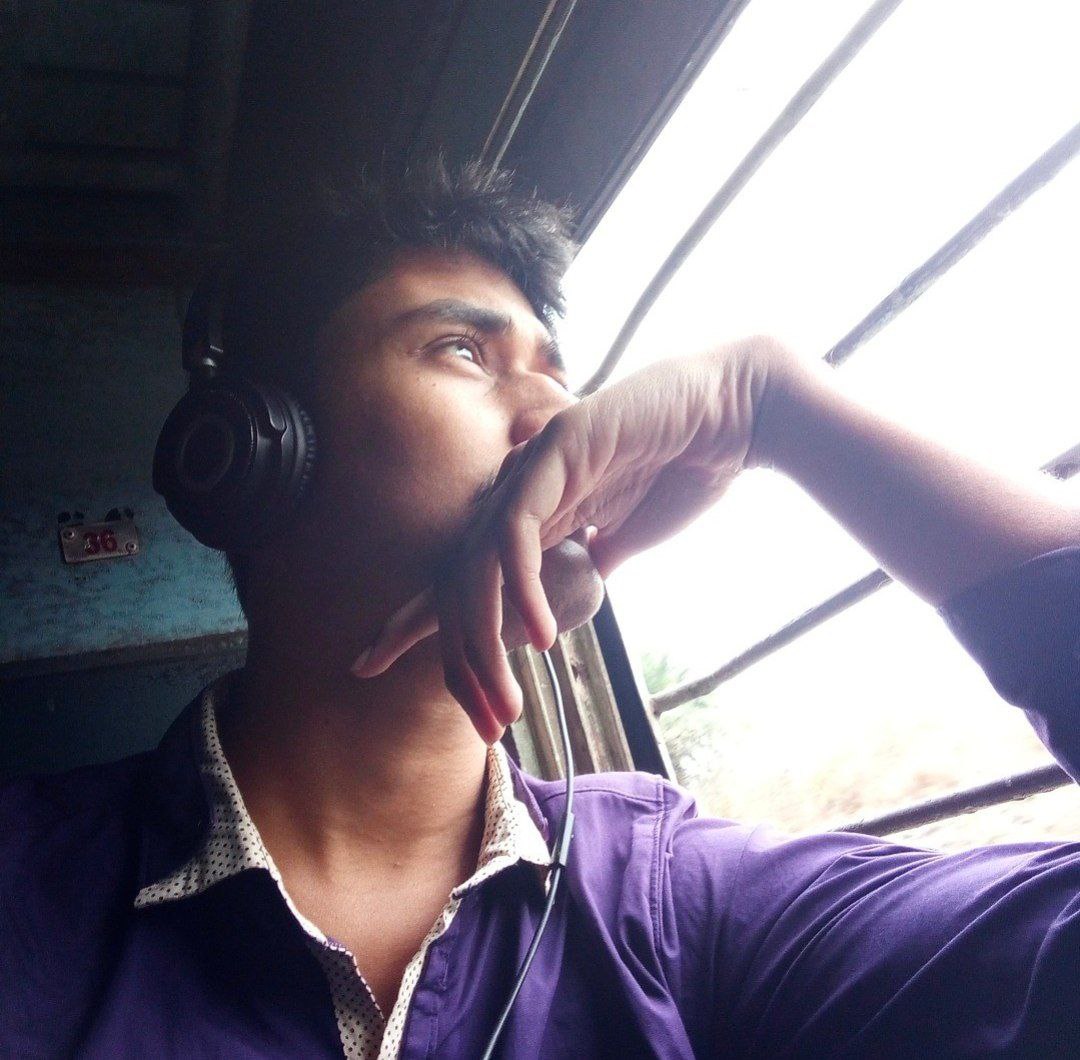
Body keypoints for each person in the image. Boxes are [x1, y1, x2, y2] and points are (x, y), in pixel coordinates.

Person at [2, 160, 1078, 1059]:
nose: (558, 414)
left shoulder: (671, 899)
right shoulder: (27, 886)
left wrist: (775, 404)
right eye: (462, 351)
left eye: (562, 377)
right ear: (256, 455)